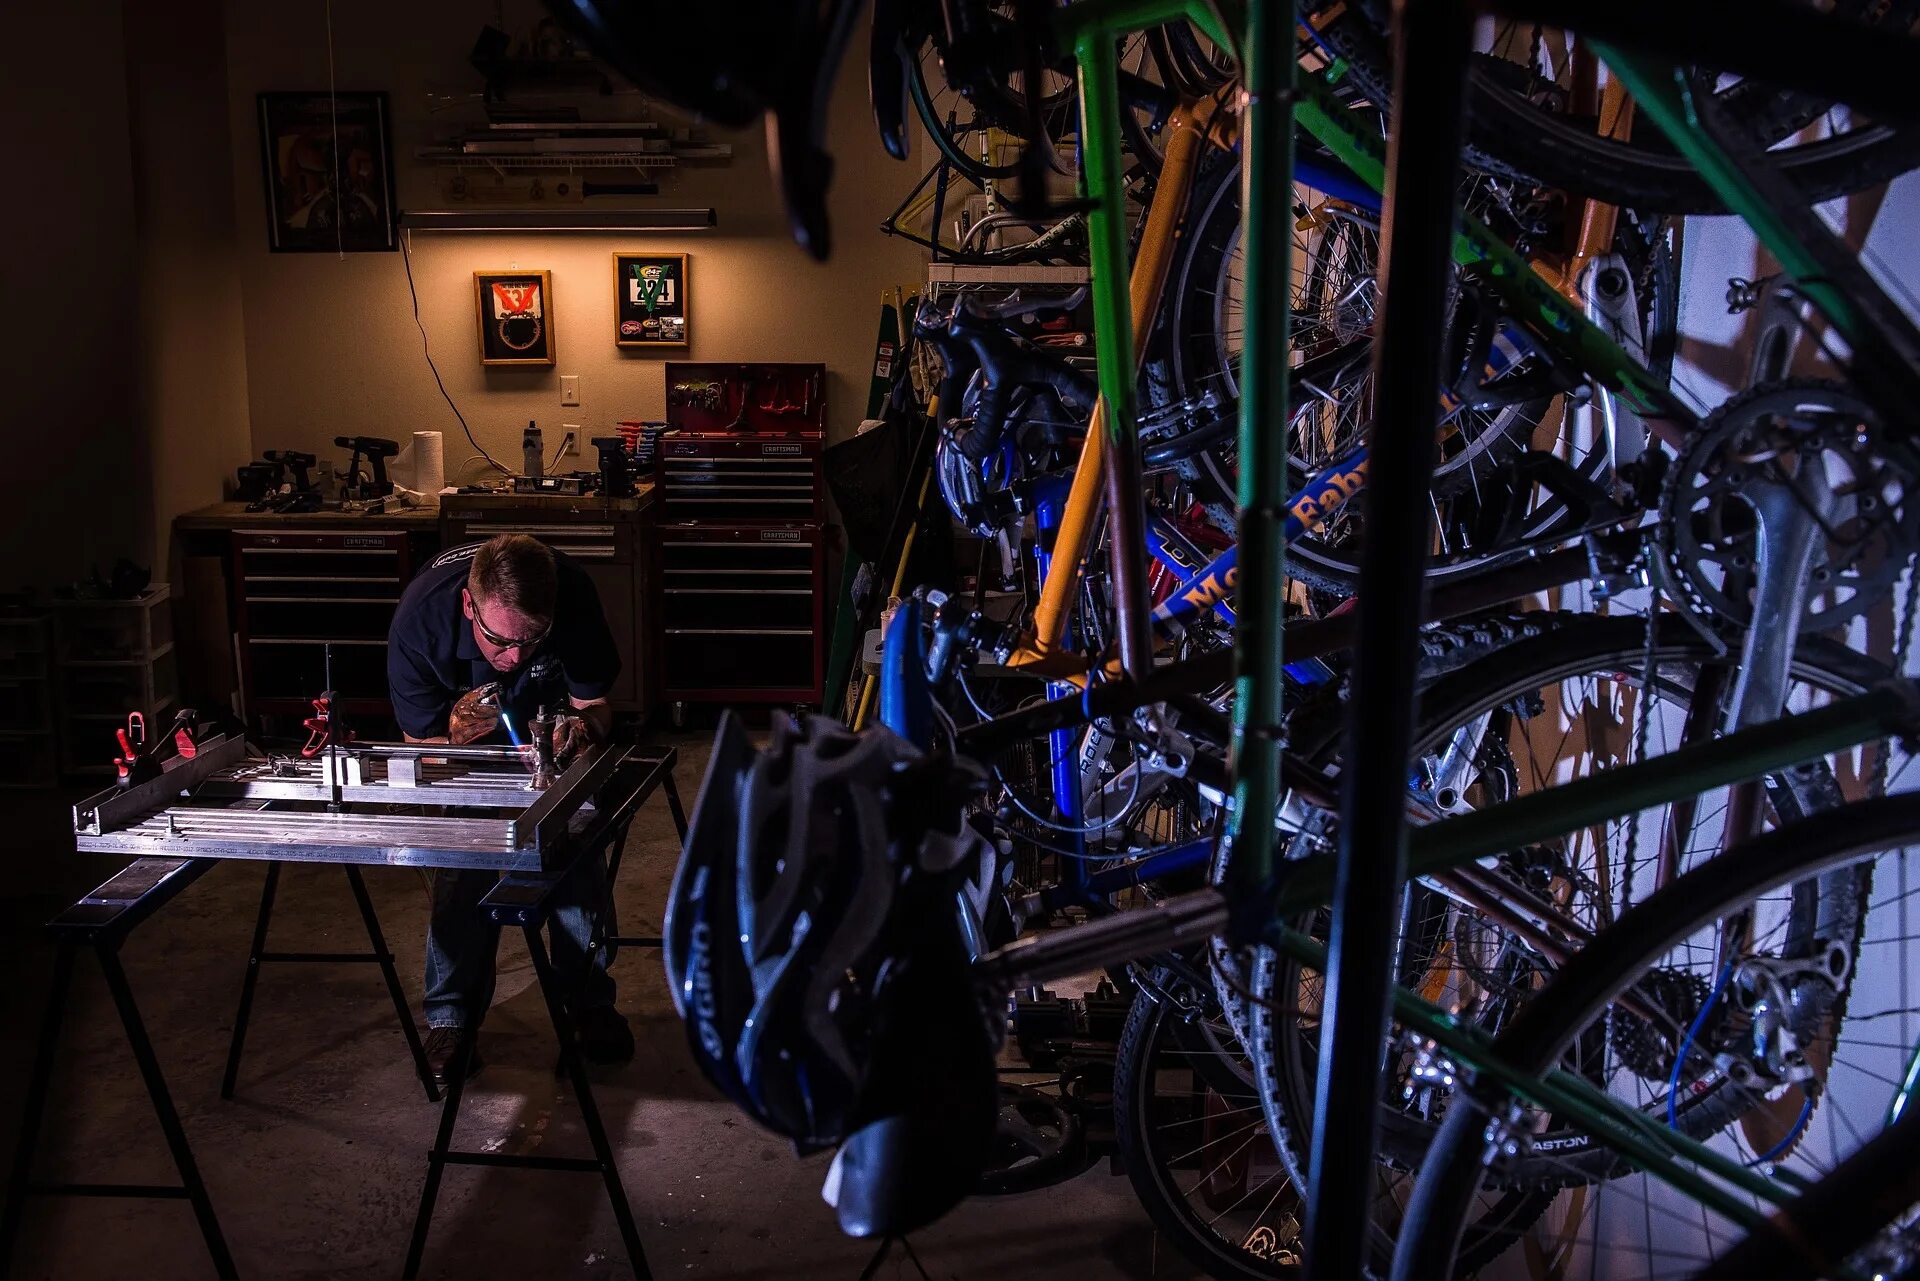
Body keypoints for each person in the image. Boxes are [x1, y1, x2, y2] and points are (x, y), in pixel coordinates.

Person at [386, 533, 635, 1085]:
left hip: (547, 733)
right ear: (468, 607)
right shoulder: (420, 623)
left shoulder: (572, 594)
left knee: (573, 839)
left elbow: (597, 707)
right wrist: (452, 736)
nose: (516, 657)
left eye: (532, 640)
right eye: (500, 642)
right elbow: (417, 749)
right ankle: (452, 1018)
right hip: (462, 746)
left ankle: (589, 1003)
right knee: (461, 856)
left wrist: (582, 729)